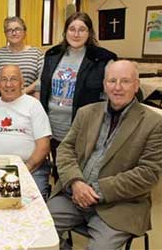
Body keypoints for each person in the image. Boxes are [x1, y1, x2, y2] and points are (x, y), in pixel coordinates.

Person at [47, 60, 162, 250]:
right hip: (73, 196)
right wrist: (76, 183)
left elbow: (148, 174)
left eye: (125, 81)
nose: (117, 87)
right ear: (104, 85)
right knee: (35, 231)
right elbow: (65, 149)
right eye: (112, 81)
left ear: (136, 85)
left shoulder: (155, 123)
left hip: (120, 206)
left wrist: (96, 191)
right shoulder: (86, 113)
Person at [38, 12, 117, 180]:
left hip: (85, 129)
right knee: (60, 170)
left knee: (82, 173)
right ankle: (60, 204)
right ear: (65, 31)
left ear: (89, 33)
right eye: (72, 29)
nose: (76, 34)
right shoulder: (52, 55)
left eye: (82, 29)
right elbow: (44, 87)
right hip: (53, 126)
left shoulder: (102, 59)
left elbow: (110, 95)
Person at [0, 65, 52, 199]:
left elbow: (44, 145)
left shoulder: (33, 105)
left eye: (13, 79)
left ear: (22, 83)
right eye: (4, 79)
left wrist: (26, 168)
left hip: (31, 168)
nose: (8, 84)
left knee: (31, 205)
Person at [0, 16, 44, 100]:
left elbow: (42, 79)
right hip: (1, 103)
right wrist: (5, 90)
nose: (14, 33)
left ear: (24, 32)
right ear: (5, 34)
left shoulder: (36, 54)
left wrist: (23, 92)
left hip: (27, 102)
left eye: (17, 29)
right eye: (9, 30)